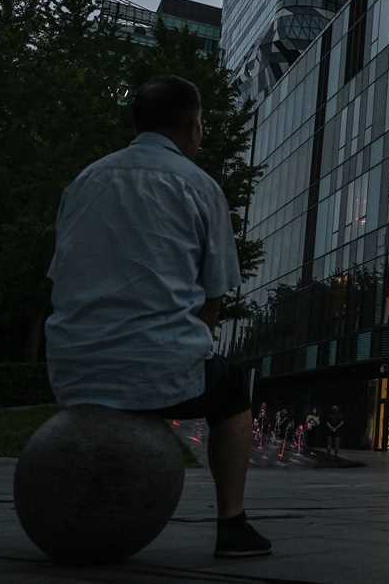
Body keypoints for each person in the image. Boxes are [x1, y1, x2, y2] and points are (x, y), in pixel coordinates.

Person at [46, 75, 273, 559]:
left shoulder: (85, 180)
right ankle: (232, 522)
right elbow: (214, 297)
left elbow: (59, 278)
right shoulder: (200, 187)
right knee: (232, 389)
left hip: (70, 370)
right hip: (156, 368)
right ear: (193, 126)